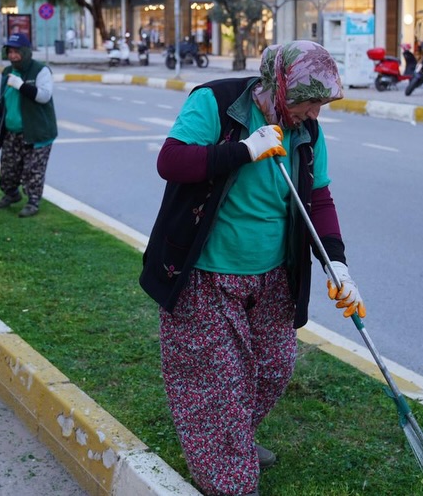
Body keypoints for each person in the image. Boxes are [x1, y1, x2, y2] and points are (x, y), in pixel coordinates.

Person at [139, 40, 365, 496]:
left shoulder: (307, 133)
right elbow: (171, 161)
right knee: (218, 382)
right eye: (309, 103)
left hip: (273, 276)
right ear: (278, 86)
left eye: (321, 105)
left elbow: (317, 198)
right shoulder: (218, 103)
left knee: (273, 367)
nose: (314, 114)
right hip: (205, 271)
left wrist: (336, 263)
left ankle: (230, 439)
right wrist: (242, 150)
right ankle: (229, 474)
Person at [0, 33, 57, 217]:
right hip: (12, 132)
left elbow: (44, 96)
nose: (13, 56)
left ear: (25, 52)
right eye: (10, 52)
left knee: (33, 171)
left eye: (17, 52)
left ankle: (33, 202)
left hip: (37, 132)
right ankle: (11, 194)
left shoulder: (40, 71)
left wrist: (21, 85)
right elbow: (3, 100)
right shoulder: (7, 73)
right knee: (8, 170)